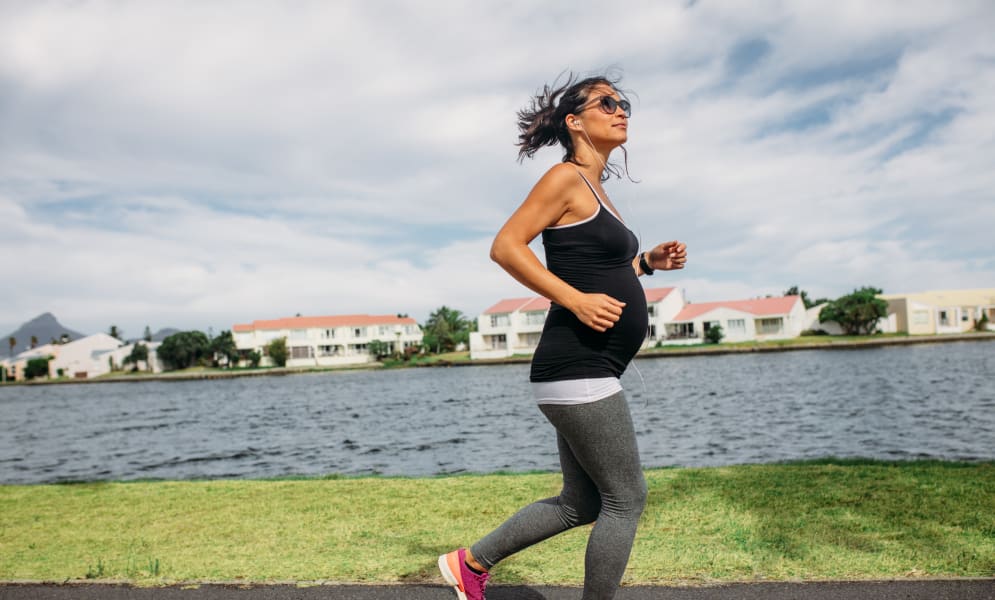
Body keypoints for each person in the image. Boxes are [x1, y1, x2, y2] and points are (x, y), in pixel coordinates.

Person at [438, 73, 688, 600]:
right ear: (576, 121)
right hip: (578, 367)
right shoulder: (564, 178)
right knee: (627, 499)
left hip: (583, 370)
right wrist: (572, 300)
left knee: (583, 502)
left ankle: (470, 564)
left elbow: (600, 272)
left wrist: (645, 262)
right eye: (608, 103)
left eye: (623, 104)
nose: (621, 110)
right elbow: (506, 246)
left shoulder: (597, 189)